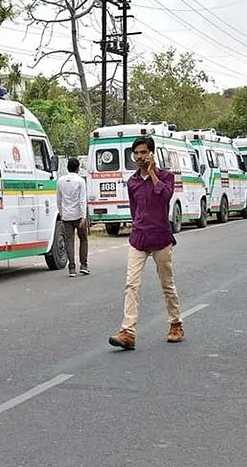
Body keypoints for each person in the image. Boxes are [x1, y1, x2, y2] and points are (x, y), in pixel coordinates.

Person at [108, 136, 183, 350]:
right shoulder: (132, 182)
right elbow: (134, 210)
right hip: (139, 238)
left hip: (160, 238)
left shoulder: (166, 177)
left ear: (151, 153)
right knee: (131, 284)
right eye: (136, 153)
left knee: (167, 284)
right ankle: (128, 332)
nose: (140, 157)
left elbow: (165, 197)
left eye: (143, 152)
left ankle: (175, 323)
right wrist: (137, 224)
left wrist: (151, 173)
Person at [56, 157, 89, 277]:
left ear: (67, 167)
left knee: (69, 240)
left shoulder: (60, 181)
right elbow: (82, 200)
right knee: (83, 239)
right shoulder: (80, 181)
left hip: (66, 215)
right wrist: (84, 216)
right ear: (78, 168)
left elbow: (59, 199)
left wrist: (61, 212)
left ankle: (72, 268)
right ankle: (84, 265)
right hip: (79, 215)